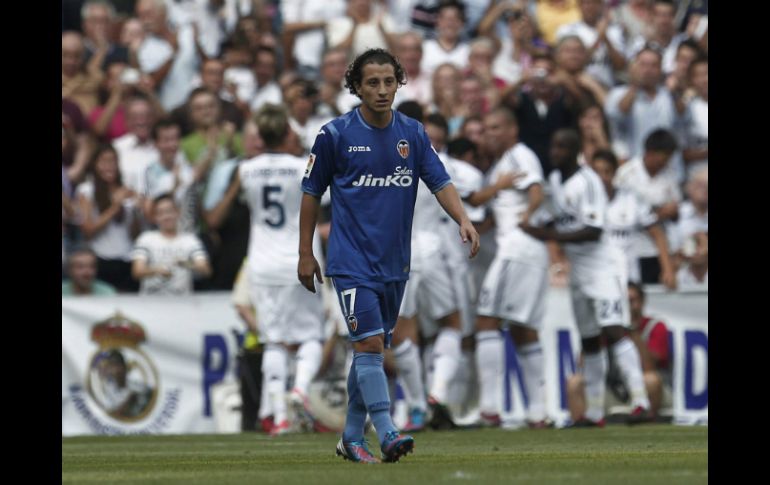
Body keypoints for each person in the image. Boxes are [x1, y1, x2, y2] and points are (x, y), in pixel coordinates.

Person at [298, 48, 479, 463]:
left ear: (399, 82)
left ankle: (350, 438)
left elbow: (439, 180)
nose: (381, 90)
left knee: (369, 351)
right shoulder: (335, 134)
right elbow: (310, 192)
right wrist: (306, 252)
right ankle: (387, 430)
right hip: (349, 261)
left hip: (395, 263)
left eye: (388, 82)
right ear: (357, 87)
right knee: (371, 346)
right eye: (372, 83)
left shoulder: (412, 133)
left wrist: (463, 219)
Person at [521, 129, 653, 427]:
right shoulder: (555, 181)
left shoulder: (589, 181)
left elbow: (593, 230)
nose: (554, 151)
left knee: (614, 329)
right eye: (553, 145)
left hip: (603, 266)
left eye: (561, 147)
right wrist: (534, 222)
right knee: (590, 340)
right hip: (578, 270)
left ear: (575, 150)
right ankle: (594, 412)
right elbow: (552, 219)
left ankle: (640, 400)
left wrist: (545, 234)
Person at [236, 104, 326, 436]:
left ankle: (280, 417)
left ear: (260, 134)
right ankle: (300, 390)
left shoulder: (246, 170)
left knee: (273, 340)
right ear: (287, 132)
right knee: (311, 335)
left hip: (260, 261)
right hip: (298, 257)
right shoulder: (302, 165)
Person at [470, 107, 552, 429]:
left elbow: (536, 190)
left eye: (496, 127)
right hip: (525, 251)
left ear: (512, 129)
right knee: (522, 329)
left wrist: (528, 217)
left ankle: (490, 408)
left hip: (517, 249)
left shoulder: (519, 156)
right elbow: (489, 207)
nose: (490, 134)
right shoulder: (503, 164)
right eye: (487, 129)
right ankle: (537, 412)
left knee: (487, 319)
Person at [567, 281, 671, 421]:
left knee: (651, 380)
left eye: (631, 301)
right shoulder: (604, 329)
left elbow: (650, 367)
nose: (628, 306)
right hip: (611, 387)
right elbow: (583, 366)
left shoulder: (654, 326)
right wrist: (599, 335)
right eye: (624, 301)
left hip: (641, 387)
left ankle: (645, 419)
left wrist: (630, 331)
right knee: (575, 382)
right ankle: (584, 426)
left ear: (642, 301)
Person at [590, 149, 676, 289]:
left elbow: (657, 233)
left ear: (615, 173)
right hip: (594, 276)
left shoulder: (631, 200)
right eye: (597, 172)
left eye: (607, 171)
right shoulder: (582, 202)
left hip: (628, 279)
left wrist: (668, 270)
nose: (602, 177)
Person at [131, 194, 211, 295]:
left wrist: (186, 264)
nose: (166, 216)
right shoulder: (146, 239)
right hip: (150, 304)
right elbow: (137, 271)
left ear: (178, 212)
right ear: (155, 217)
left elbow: (206, 269)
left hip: (182, 303)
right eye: (161, 213)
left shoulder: (190, 240)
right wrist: (157, 271)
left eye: (169, 211)